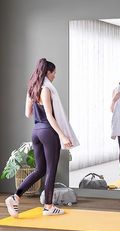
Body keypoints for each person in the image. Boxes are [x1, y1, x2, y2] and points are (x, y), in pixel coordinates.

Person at [5, 58, 79, 217]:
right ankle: (49, 206)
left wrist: (37, 108)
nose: (54, 76)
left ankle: (15, 197)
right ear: (48, 72)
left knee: (40, 170)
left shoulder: (32, 88)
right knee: (51, 170)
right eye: (54, 73)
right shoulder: (45, 89)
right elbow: (51, 117)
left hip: (36, 131)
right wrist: (63, 135)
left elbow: (27, 113)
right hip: (47, 132)